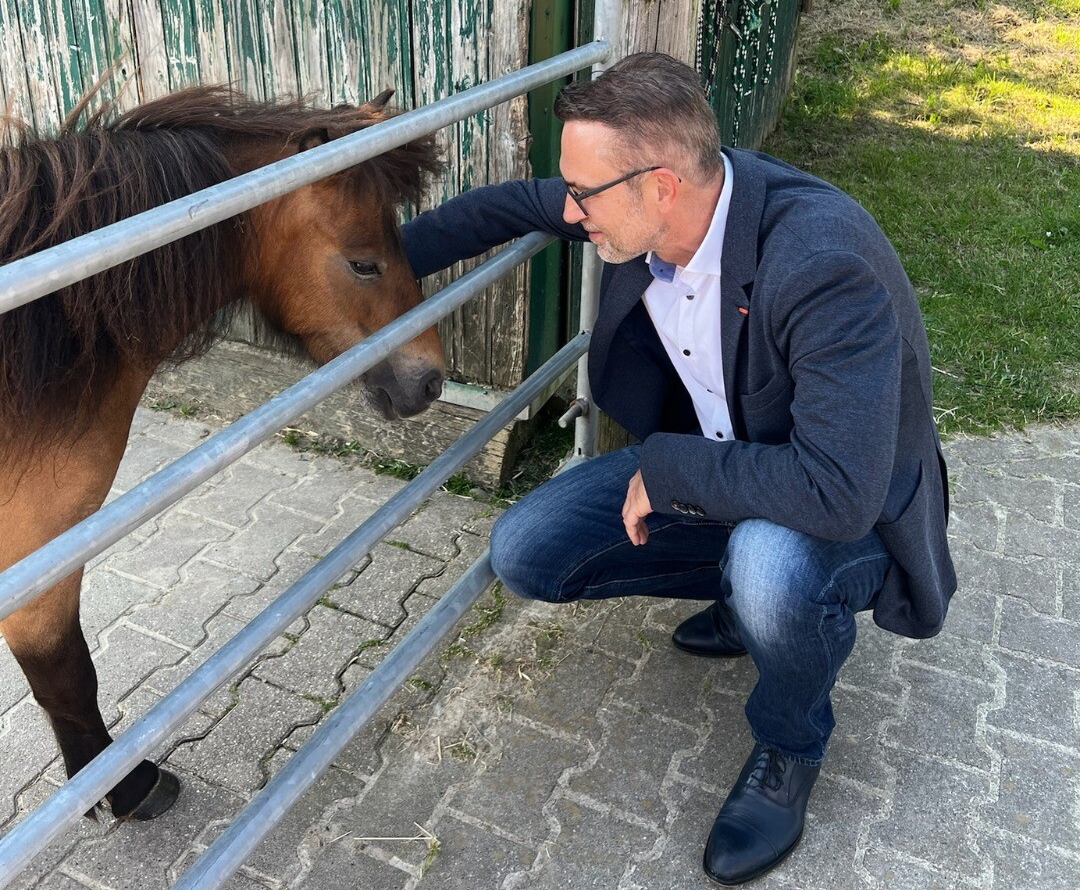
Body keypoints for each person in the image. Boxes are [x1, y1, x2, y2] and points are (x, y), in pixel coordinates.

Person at [401, 52, 954, 885]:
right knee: (528, 550)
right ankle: (743, 600)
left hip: (856, 508)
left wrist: (665, 468)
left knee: (772, 566)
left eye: (584, 194)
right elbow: (505, 208)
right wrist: (358, 272)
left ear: (659, 185)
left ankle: (791, 738)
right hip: (735, 471)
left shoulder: (822, 262)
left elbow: (838, 491)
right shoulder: (640, 206)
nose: (571, 211)